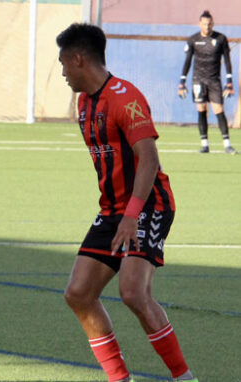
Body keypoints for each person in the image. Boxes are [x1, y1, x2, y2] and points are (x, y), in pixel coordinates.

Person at [56, 24, 198, 382]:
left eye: (63, 64)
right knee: (78, 294)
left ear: (78, 59)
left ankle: (184, 377)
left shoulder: (125, 97)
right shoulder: (85, 103)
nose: (62, 73)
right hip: (113, 210)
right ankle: (119, 378)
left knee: (133, 292)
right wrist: (118, 215)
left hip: (149, 204)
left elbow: (148, 160)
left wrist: (131, 216)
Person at [178, 10, 237, 154]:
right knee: (201, 109)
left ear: (213, 24)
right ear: (200, 24)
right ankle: (205, 144)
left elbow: (228, 61)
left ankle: (227, 144)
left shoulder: (221, 39)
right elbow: (187, 62)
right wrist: (182, 82)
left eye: (209, 24)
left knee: (219, 110)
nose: (207, 27)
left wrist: (229, 81)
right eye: (204, 24)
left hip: (214, 80)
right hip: (198, 80)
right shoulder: (193, 39)